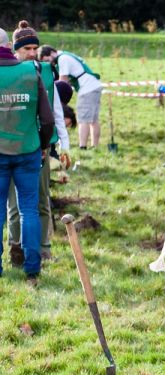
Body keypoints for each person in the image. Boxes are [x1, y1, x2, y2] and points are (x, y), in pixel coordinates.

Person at [6, 21, 70, 265]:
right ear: (15, 51)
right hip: (12, 149)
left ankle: (43, 247)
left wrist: (64, 144)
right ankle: (17, 248)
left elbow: (54, 110)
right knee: (15, 205)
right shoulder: (8, 74)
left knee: (41, 201)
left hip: (41, 147)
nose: (32, 53)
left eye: (35, 47)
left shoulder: (45, 71)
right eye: (26, 49)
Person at [0, 27, 54, 285]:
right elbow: (46, 118)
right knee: (29, 210)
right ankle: (32, 267)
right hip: (28, 150)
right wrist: (43, 145)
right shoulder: (32, 72)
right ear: (9, 46)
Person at [50, 47, 101, 149]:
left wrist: (57, 98)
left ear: (51, 53)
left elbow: (63, 81)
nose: (48, 62)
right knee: (93, 120)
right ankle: (95, 146)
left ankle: (83, 147)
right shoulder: (66, 55)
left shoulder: (62, 59)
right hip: (94, 85)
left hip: (87, 89)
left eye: (47, 59)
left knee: (83, 119)